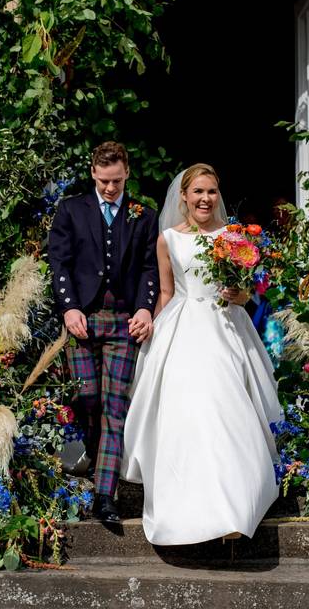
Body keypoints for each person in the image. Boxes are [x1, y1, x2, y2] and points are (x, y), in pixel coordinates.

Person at [122, 163, 283, 545]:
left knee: (227, 410)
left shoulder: (233, 236)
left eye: (211, 192)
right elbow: (166, 292)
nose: (205, 199)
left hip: (226, 328)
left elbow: (247, 292)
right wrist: (152, 335)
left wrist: (239, 295)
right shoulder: (168, 239)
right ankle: (189, 508)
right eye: (198, 192)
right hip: (182, 329)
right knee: (187, 416)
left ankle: (234, 508)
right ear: (184, 197)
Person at [47, 141, 160, 523]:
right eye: (104, 181)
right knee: (88, 398)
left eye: (116, 180)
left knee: (115, 406)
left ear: (126, 172)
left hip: (124, 319)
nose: (110, 188)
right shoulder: (71, 209)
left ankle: (104, 495)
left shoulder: (143, 214)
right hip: (83, 318)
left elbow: (149, 267)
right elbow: (59, 263)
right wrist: (69, 307)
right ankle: (92, 457)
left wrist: (145, 306)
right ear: (93, 173)